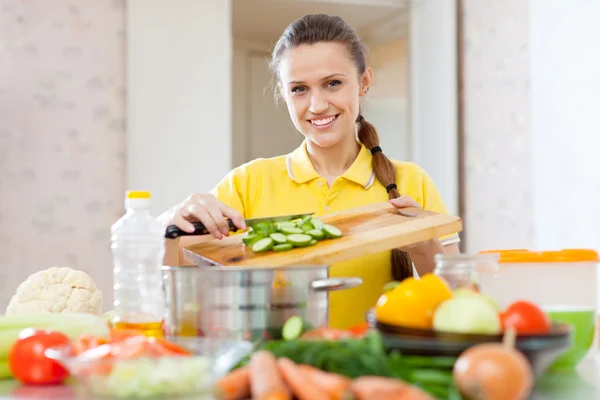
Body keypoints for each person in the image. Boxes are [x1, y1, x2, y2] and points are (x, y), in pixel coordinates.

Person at [158, 14, 460, 329]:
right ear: (283, 94)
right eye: (299, 89)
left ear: (364, 82)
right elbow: (173, 284)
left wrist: (424, 246)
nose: (317, 105)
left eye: (333, 83)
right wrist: (169, 226)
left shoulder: (411, 181)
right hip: (276, 372)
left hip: (376, 370)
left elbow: (462, 308)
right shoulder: (247, 183)